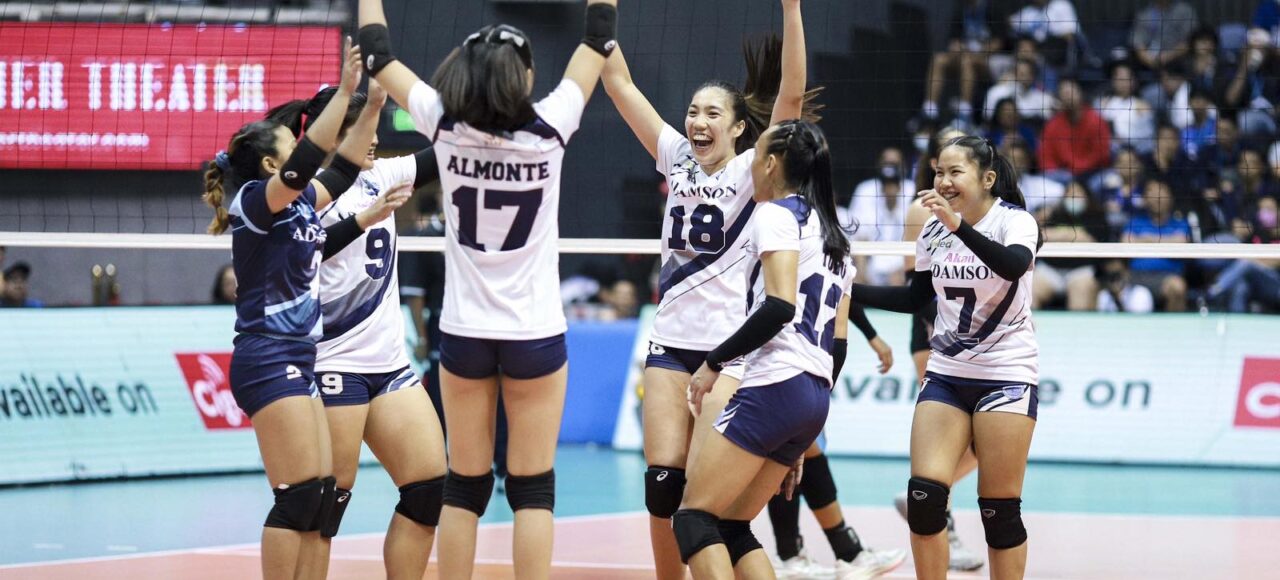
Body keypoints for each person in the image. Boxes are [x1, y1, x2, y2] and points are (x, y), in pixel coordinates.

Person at [356, 0, 617, 577]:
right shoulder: (551, 126)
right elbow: (599, 37)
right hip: (535, 332)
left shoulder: (444, 126)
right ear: (525, 76)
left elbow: (376, 54)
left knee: (464, 483)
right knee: (532, 487)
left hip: (465, 332)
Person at [598, 2, 817, 577]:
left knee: (706, 505)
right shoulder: (674, 155)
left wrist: (792, 10)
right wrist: (599, 12)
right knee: (662, 487)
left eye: (712, 112)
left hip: (729, 355)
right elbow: (618, 82)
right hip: (670, 345)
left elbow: (792, 96)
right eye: (693, 111)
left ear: (739, 128)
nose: (698, 120)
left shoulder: (753, 172)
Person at [201, 40, 410, 580]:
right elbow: (306, 169)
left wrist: (372, 106)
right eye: (290, 146)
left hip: (297, 356)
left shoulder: (297, 206)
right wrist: (344, 92)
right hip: (268, 359)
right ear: (273, 163)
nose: (300, 148)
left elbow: (340, 172)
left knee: (319, 492)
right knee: (296, 497)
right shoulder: (255, 202)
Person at [271, 80, 448, 578]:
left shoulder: (382, 174)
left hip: (389, 365)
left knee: (428, 488)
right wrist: (365, 219)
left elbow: (446, 154)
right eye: (364, 127)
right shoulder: (306, 193)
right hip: (333, 364)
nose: (375, 137)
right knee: (326, 504)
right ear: (333, 136)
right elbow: (303, 247)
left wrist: (480, 116)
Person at [675, 120, 867, 579]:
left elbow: (779, 306)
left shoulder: (777, 216)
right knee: (733, 526)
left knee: (694, 519)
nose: (750, 166)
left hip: (775, 384)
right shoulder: (835, 238)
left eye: (756, 155)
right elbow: (838, 346)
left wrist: (713, 362)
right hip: (813, 395)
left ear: (772, 164)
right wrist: (798, 429)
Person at [854, 136, 1041, 580]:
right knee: (924, 499)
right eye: (939, 172)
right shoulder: (933, 231)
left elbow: (1012, 265)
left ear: (987, 179)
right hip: (947, 374)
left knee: (999, 511)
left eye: (956, 172)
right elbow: (916, 298)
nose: (943, 181)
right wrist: (847, 288)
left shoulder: (1015, 221)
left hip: (1006, 375)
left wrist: (957, 225)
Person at [921, 0, 1005, 121]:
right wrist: (957, 48)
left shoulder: (992, 8)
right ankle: (930, 110)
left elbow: (999, 43)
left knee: (967, 62)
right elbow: (954, 42)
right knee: (939, 60)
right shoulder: (961, 10)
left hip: (991, 60)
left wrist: (977, 54)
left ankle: (965, 111)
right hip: (965, 56)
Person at [1033, 180, 1108, 310]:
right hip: (1049, 269)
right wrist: (1072, 234)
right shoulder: (1054, 214)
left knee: (1080, 301)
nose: (1073, 197)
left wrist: (1057, 235)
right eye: (1069, 193)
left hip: (1080, 271)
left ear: (1087, 196)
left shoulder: (1096, 217)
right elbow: (1040, 235)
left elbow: (1088, 239)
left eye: (1078, 193)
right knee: (1029, 296)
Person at [849, 146, 916, 285]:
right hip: (871, 267)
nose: (890, 169)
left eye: (895, 164)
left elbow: (918, 240)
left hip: (903, 267)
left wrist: (904, 272)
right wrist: (861, 274)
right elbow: (857, 237)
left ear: (904, 166)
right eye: (886, 163)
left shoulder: (912, 190)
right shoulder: (865, 190)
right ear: (879, 165)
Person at [1123, 178, 1191, 312]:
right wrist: (1166, 242)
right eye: (1152, 193)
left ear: (1170, 197)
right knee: (1139, 300)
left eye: (1161, 192)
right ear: (1145, 198)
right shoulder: (1135, 222)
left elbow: (1181, 243)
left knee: (1177, 287)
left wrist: (1145, 239)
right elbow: (1125, 244)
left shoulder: (1180, 223)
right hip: (1137, 277)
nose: (1157, 198)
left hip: (1168, 276)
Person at [1038, 78, 1112, 182]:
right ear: (1059, 99)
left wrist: (1079, 168)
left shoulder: (1096, 121)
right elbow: (1045, 157)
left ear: (1080, 93)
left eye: (1070, 92)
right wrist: (1055, 172)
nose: (1068, 96)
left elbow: (1101, 155)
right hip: (1064, 175)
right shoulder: (1052, 125)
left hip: (1092, 173)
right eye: (1064, 94)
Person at [1131, 0, 1199, 71]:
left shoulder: (1185, 11)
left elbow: (1190, 41)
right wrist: (1150, 60)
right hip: (1150, 65)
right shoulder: (1145, 14)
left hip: (1181, 63)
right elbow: (1137, 43)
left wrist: (1168, 56)